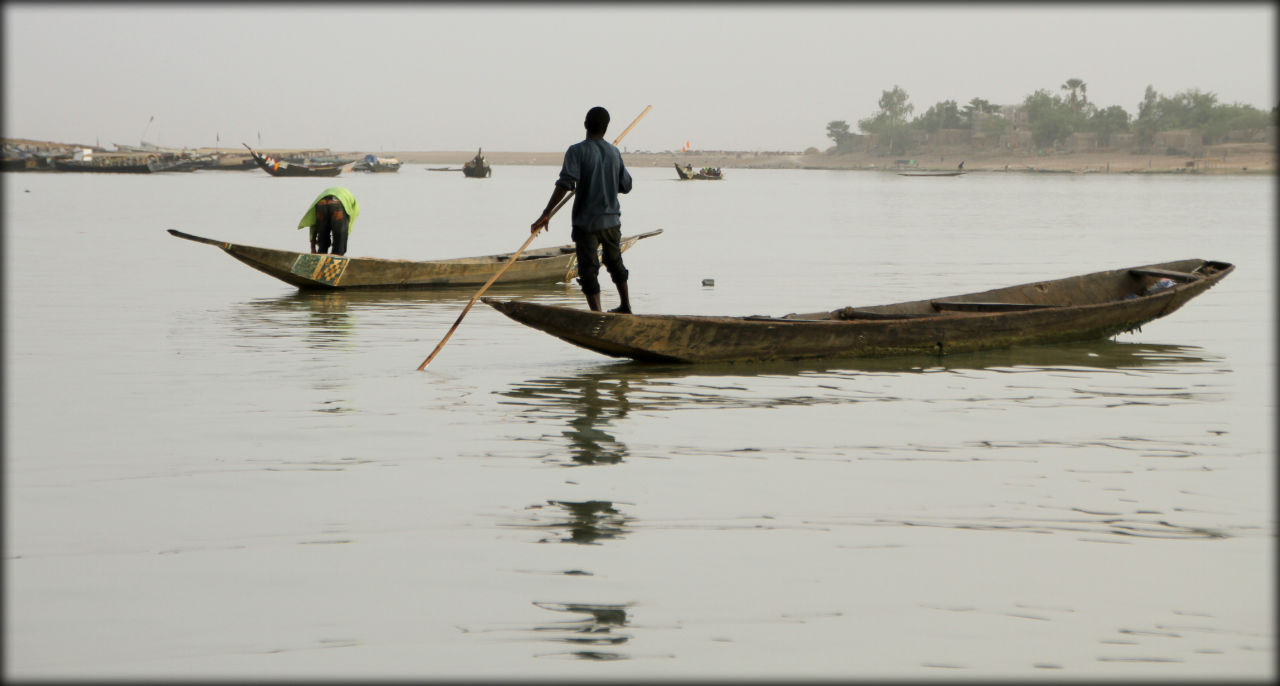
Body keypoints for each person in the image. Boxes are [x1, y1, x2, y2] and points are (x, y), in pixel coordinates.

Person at [531, 106, 634, 314]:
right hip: (612, 221)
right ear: (605, 129)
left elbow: (565, 183)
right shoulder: (614, 153)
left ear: (586, 125)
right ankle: (625, 306)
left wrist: (546, 213)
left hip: (587, 224)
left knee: (588, 271)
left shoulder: (577, 151)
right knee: (615, 263)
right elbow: (626, 186)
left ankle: (596, 314)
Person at [298, 187, 359, 255]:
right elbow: (345, 229)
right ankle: (337, 258)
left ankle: (321, 255)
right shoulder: (353, 206)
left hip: (321, 202)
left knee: (322, 233)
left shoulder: (324, 195)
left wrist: (313, 249)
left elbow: (314, 225)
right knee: (340, 238)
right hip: (338, 202)